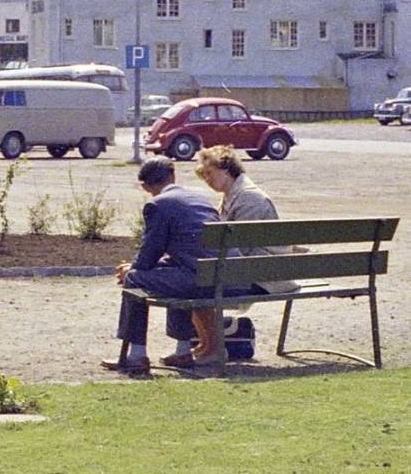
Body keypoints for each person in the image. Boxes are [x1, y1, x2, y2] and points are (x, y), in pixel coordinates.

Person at [102, 157, 221, 374]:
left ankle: (137, 355)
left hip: (197, 279)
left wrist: (132, 269)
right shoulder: (200, 199)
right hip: (225, 278)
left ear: (146, 186)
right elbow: (192, 252)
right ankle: (183, 350)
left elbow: (149, 254)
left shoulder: (158, 205)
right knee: (174, 276)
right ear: (173, 176)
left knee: (134, 279)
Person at [191, 145, 305, 360]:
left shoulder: (249, 198)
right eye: (203, 175)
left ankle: (212, 348)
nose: (206, 179)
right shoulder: (234, 194)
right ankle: (209, 345)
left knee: (192, 284)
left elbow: (237, 248)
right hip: (255, 268)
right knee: (193, 280)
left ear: (226, 169)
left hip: (266, 276)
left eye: (210, 173)